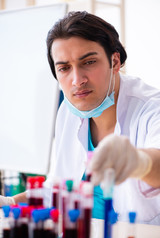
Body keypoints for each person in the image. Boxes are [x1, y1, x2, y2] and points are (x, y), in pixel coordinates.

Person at [1, 11, 160, 225]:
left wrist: (138, 162)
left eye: (89, 62)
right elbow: (57, 191)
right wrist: (10, 202)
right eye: (64, 68)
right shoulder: (68, 111)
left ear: (115, 61)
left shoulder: (151, 108)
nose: (77, 80)